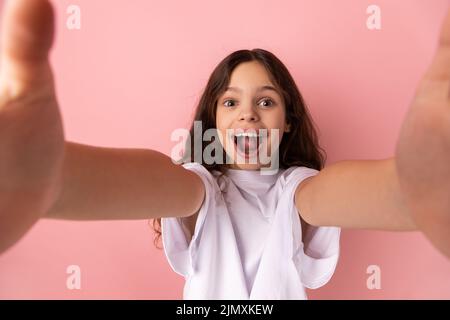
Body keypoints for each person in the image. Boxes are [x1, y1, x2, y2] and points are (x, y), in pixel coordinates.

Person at [0, 0, 449, 299]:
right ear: (213, 121)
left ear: (287, 121)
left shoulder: (299, 190)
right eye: (231, 102)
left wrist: (410, 192)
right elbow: (154, 183)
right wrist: (56, 181)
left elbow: (342, 196)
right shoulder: (199, 186)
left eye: (266, 101)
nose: (248, 114)